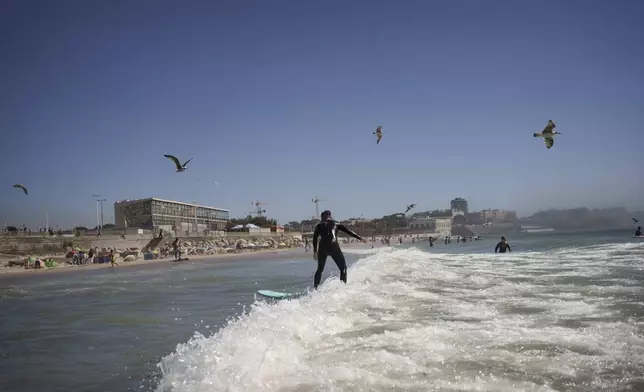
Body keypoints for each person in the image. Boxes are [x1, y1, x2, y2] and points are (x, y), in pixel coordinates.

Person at [312, 210, 366, 289]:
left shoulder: (319, 226)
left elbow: (314, 238)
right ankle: (342, 288)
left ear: (322, 217)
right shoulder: (336, 223)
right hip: (334, 247)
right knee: (343, 268)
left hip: (322, 248)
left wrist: (315, 251)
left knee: (319, 270)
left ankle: (315, 289)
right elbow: (349, 231)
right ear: (330, 216)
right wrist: (360, 238)